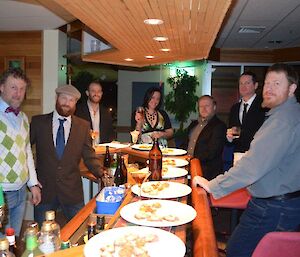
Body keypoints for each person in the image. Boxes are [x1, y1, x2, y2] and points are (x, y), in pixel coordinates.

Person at [193, 63, 300, 257]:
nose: (269, 89)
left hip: (273, 206)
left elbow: (253, 165)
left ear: (292, 89)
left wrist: (213, 185)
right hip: (282, 202)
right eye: (268, 83)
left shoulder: (282, 120)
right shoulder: (287, 114)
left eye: (277, 83)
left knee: (237, 250)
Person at [30, 84, 105, 226]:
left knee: (79, 229)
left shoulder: (83, 126)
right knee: (42, 234)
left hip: (72, 191)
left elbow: (89, 155)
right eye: (63, 98)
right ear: (57, 99)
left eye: (71, 100)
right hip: (44, 191)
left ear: (75, 103)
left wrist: (102, 174)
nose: (67, 103)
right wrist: (31, 180)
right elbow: (24, 151)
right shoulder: (38, 123)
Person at [0, 68, 41, 236]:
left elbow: (27, 152)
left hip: (21, 191)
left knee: (12, 240)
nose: (18, 93)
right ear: (2, 87)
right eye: (13, 87)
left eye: (22, 89)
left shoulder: (23, 118)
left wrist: (33, 184)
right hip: (2, 193)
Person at [227, 71, 267, 164]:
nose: (243, 86)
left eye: (247, 83)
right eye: (241, 83)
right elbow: (232, 131)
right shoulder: (234, 108)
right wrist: (229, 138)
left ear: (255, 85)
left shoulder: (264, 106)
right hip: (238, 155)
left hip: (257, 154)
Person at [185, 95, 226, 180]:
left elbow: (212, 152)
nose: (203, 109)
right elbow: (185, 143)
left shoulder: (219, 126)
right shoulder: (193, 124)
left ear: (214, 107)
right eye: (201, 106)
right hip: (188, 166)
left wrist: (191, 159)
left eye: (207, 106)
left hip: (207, 171)